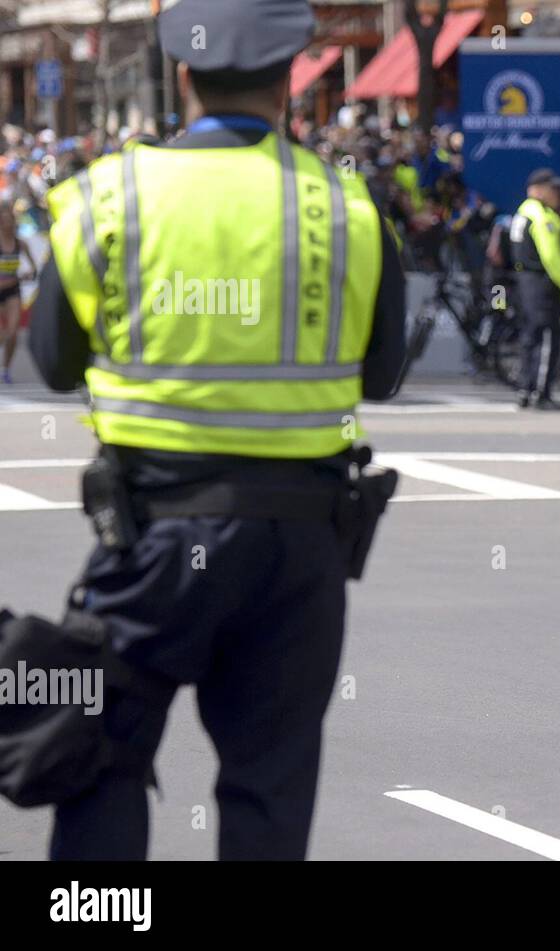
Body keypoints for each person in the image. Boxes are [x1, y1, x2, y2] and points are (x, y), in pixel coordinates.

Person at [27, 0, 406, 859]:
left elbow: (50, 363)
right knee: (268, 789)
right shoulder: (348, 209)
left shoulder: (108, 197)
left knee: (98, 760)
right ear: (289, 80)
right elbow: (381, 378)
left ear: (184, 74)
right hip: (299, 548)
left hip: (151, 535)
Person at [511, 168, 560, 409]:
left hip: (524, 283)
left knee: (530, 337)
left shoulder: (521, 213)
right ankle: (541, 393)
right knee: (549, 339)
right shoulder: (541, 216)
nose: (556, 193)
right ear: (537, 190)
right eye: (551, 188)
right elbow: (550, 257)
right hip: (542, 286)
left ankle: (525, 389)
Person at [0, 199, 37, 383]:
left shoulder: (20, 244)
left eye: (10, 221)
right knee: (2, 334)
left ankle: (5, 369)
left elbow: (33, 268)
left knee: (13, 333)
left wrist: (28, 273)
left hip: (13, 291)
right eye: (4, 221)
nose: (8, 225)